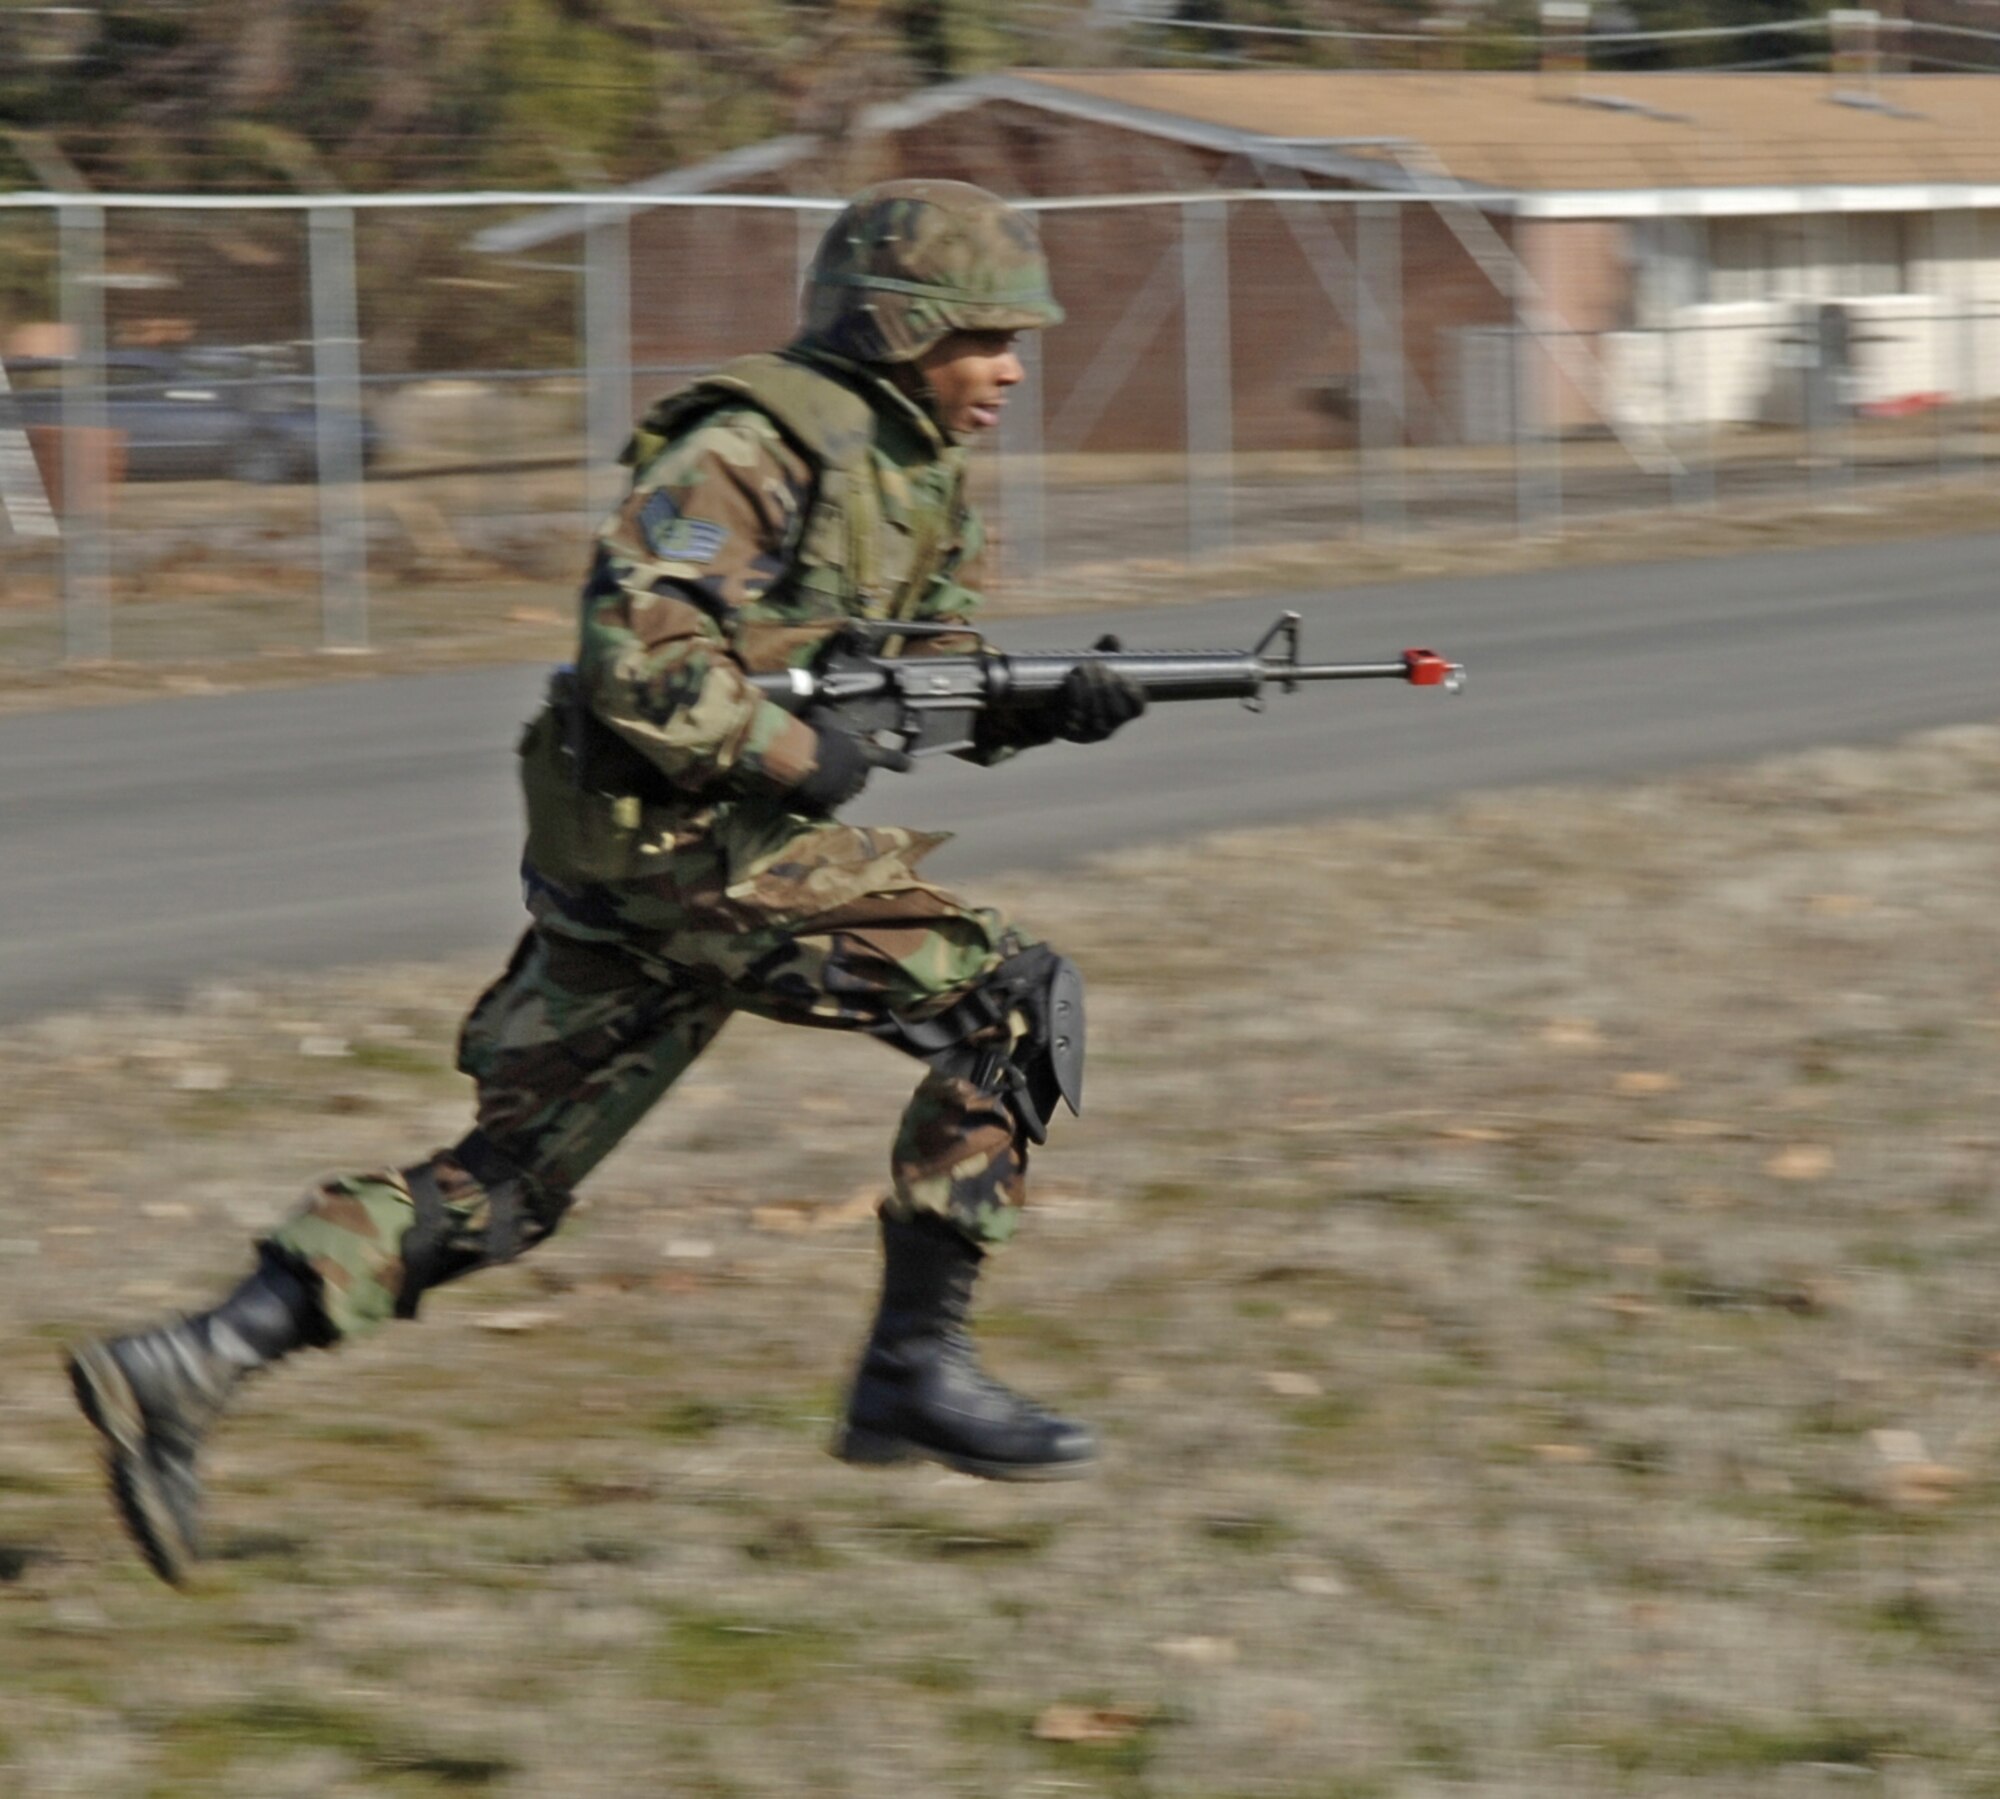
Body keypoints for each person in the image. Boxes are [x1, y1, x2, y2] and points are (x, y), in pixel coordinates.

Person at [66, 179, 1148, 1588]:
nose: (1012, 369)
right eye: (992, 338)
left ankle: (191, 1362)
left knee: (510, 1182)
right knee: (1012, 1000)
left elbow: (905, 679)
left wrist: (1034, 706)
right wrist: (781, 748)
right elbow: (632, 654)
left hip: (658, 868)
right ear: (904, 325)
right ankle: (912, 1370)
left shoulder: (922, 468)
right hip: (688, 853)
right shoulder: (746, 447)